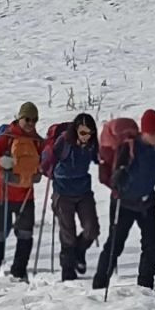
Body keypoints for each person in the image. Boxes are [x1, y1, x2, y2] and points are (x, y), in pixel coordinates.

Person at [92, 109, 155, 291]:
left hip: (146, 203)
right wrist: (119, 176)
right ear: (145, 132)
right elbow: (117, 172)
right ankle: (100, 285)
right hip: (123, 203)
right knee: (115, 245)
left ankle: (145, 286)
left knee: (151, 245)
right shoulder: (129, 147)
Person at [0, 102, 45, 280]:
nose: (30, 123)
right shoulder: (6, 137)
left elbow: (45, 160)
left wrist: (43, 168)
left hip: (26, 194)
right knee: (0, 232)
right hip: (1, 193)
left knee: (26, 233)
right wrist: (0, 163)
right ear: (20, 118)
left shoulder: (37, 141)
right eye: (27, 119)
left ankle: (19, 270)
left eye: (34, 120)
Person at [43, 112, 99, 281]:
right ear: (76, 131)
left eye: (90, 133)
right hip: (63, 192)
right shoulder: (64, 142)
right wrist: (51, 171)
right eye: (83, 133)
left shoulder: (91, 144)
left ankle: (79, 253)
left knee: (92, 229)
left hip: (83, 191)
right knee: (68, 232)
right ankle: (67, 270)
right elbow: (48, 161)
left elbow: (100, 159)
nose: (86, 137)